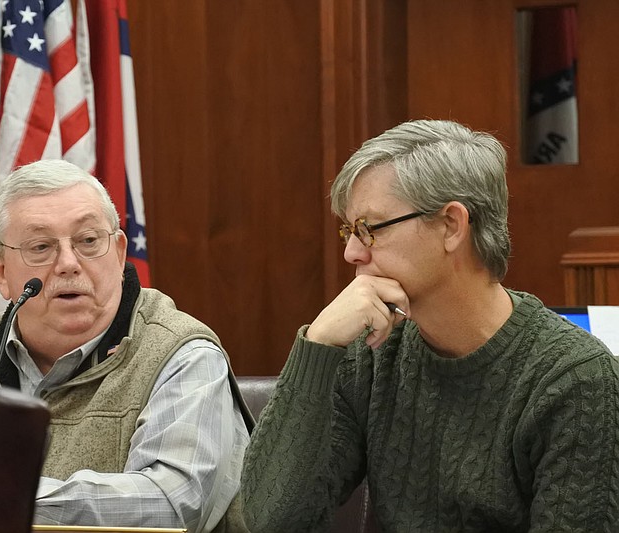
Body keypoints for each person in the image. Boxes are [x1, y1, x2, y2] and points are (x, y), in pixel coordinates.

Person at [239, 119, 619, 532]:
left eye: (368, 229)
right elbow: (270, 522)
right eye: (348, 231)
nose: (350, 253)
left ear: (451, 226)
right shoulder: (371, 353)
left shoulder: (576, 381)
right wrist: (318, 345)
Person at [0, 159, 252, 532]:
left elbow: (172, 506)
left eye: (88, 241)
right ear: (0, 271)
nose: (67, 264)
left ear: (120, 253)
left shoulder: (183, 356)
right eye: (41, 246)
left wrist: (2, 499)